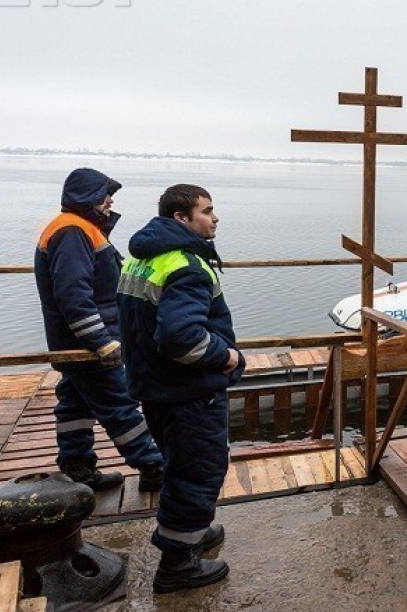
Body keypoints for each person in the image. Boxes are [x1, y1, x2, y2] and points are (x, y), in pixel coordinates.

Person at [116, 184, 245, 594]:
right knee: (199, 471)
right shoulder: (186, 266)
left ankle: (193, 533)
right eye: (207, 211)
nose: (215, 217)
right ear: (181, 218)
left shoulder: (143, 259)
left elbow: (138, 326)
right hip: (190, 392)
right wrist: (227, 357)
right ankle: (177, 565)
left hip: (156, 387)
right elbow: (181, 338)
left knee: (179, 464)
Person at [34, 168, 164, 492]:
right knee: (119, 402)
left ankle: (78, 468)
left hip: (78, 341)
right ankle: (154, 466)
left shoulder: (80, 228)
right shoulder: (73, 231)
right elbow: (73, 295)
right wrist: (100, 341)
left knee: (75, 402)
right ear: (88, 196)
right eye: (106, 194)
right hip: (88, 344)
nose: (111, 201)